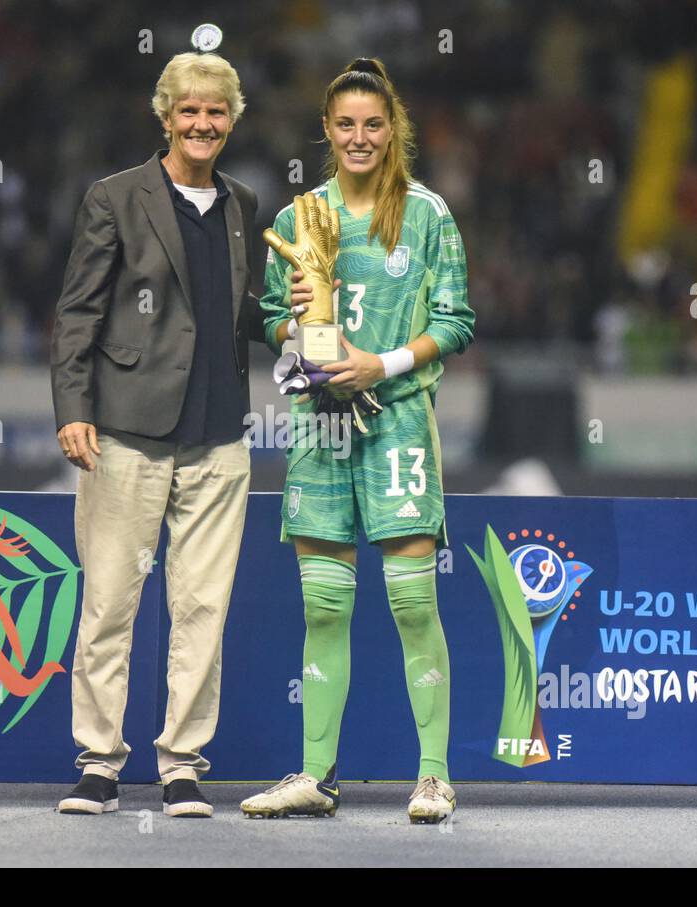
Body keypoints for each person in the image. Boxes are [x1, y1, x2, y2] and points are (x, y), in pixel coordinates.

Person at [50, 51, 318, 818]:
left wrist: (295, 317)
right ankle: (99, 763)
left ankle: (181, 766)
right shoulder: (114, 198)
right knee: (108, 604)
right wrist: (74, 405)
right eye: (189, 111)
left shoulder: (243, 202)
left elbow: (243, 316)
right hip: (125, 432)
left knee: (202, 609)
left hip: (218, 438)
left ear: (232, 121)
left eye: (217, 112)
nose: (203, 124)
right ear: (164, 116)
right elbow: (78, 312)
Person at [242, 57, 476, 824]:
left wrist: (382, 361)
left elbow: (456, 321)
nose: (359, 137)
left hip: (398, 422)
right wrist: (303, 340)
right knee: (324, 607)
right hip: (318, 423)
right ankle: (316, 775)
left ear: (394, 129)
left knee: (413, 605)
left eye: (374, 124)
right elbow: (270, 319)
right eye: (345, 124)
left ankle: (434, 776)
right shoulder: (297, 219)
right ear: (326, 130)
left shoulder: (429, 215)